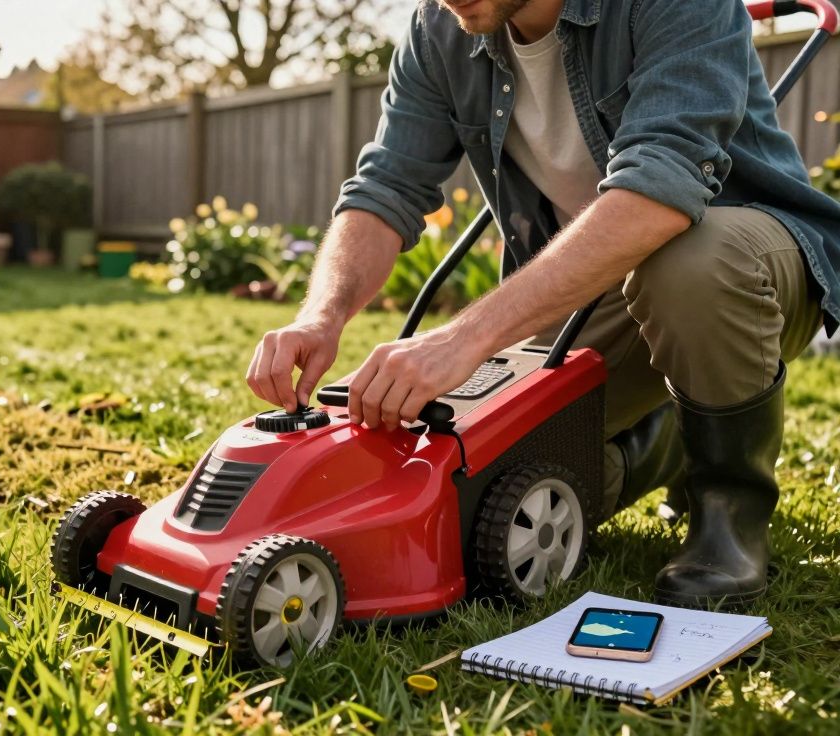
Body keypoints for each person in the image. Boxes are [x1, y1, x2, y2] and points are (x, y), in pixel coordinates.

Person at [246, 0, 840, 608]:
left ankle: (728, 516)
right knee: (486, 491)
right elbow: (386, 185)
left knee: (688, 261)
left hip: (747, 272)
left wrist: (465, 338)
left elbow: (660, 186)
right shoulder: (439, 30)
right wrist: (320, 314)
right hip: (593, 294)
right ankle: (667, 442)